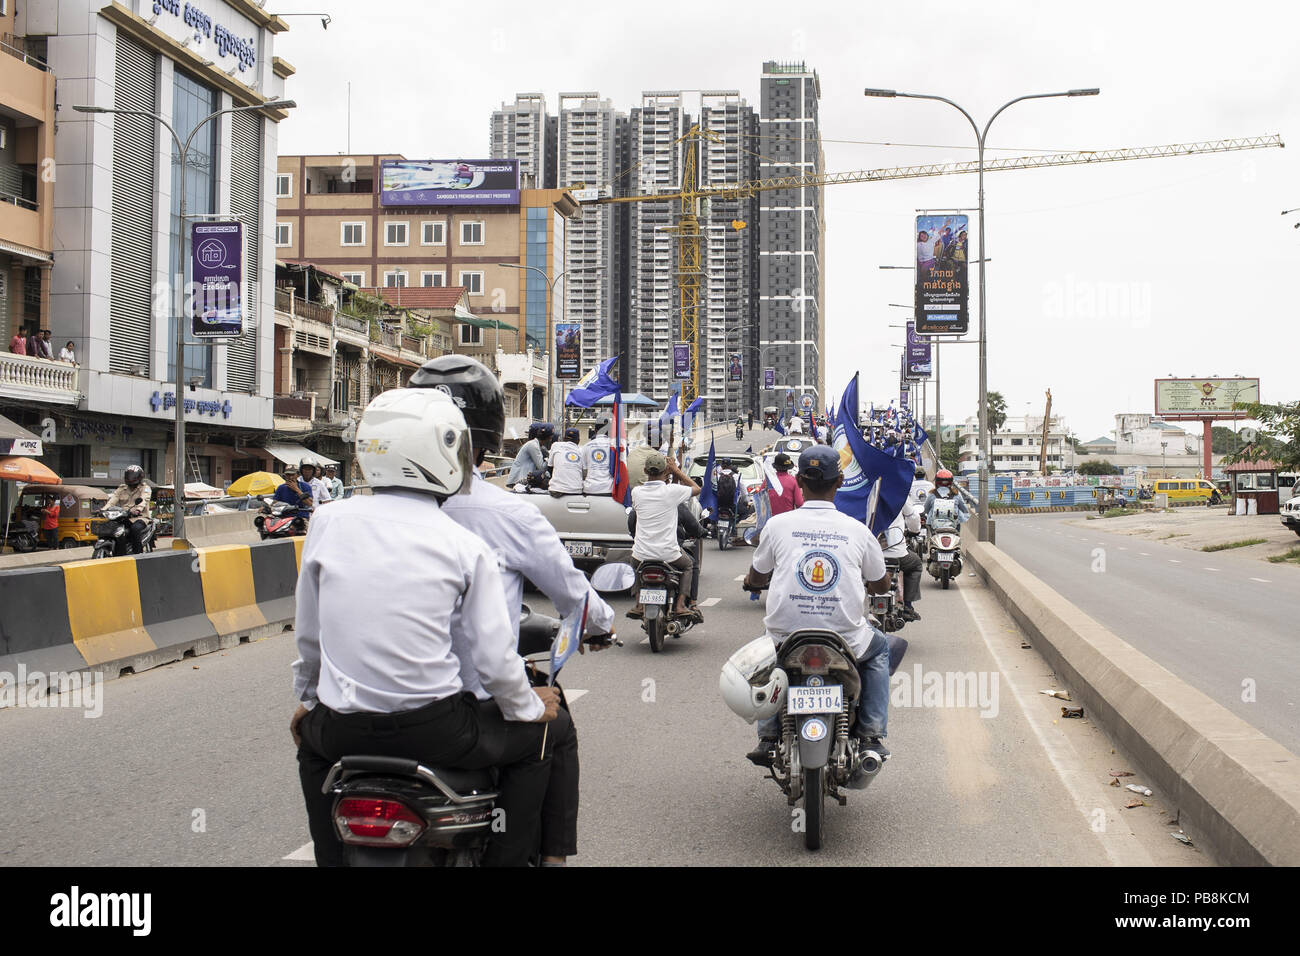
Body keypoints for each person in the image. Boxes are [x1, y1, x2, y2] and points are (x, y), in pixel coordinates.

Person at [291, 388, 569, 868]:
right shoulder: (463, 545)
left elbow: (310, 637)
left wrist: (308, 702)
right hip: (438, 730)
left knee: (309, 751)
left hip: (342, 729)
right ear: (443, 452)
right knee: (553, 732)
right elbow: (495, 660)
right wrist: (528, 708)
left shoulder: (326, 521)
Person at [742, 445, 895, 765]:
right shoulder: (858, 530)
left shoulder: (777, 526)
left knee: (768, 658)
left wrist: (754, 583)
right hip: (846, 638)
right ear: (839, 481)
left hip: (785, 637)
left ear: (799, 480)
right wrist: (875, 586)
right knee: (880, 651)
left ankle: (768, 737)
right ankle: (870, 735)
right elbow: (880, 583)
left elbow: (758, 575)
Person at [628, 450, 700, 620]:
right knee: (689, 565)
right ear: (666, 471)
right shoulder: (672, 491)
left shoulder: (636, 492)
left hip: (641, 554)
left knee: (633, 565)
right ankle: (681, 605)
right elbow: (696, 488)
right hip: (669, 553)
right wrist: (676, 470)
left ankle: (639, 603)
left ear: (645, 471)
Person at [881, 495, 924, 621]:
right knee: (916, 564)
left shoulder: (864, 490)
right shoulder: (898, 492)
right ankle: (908, 607)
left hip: (870, 552)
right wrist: (915, 530)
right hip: (896, 553)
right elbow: (913, 517)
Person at [104, 465, 153, 554]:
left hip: (140, 518)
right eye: (129, 476)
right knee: (111, 527)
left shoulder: (145, 488)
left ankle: (138, 554)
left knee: (135, 529)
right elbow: (112, 501)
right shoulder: (122, 488)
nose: (131, 479)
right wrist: (103, 510)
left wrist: (138, 510)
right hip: (124, 516)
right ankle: (119, 552)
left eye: (133, 477)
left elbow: (144, 500)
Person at [507, 423, 554, 489]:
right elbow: (541, 467)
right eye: (551, 437)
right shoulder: (533, 445)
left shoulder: (536, 445)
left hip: (523, 478)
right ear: (549, 438)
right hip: (519, 479)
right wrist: (551, 457)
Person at [547, 427, 586, 496]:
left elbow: (549, 467)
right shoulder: (581, 451)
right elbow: (584, 473)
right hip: (576, 490)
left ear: (564, 438)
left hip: (556, 490)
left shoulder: (555, 445)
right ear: (578, 440)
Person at [581, 417, 614, 495]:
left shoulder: (586, 446)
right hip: (609, 489)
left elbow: (584, 470)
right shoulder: (614, 446)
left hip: (590, 489)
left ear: (595, 431)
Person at [767, 452, 804, 516]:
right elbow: (799, 503)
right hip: (787, 518)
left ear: (775, 467)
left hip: (770, 518)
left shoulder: (768, 480)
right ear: (788, 467)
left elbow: (760, 499)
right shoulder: (793, 481)